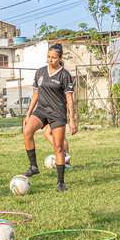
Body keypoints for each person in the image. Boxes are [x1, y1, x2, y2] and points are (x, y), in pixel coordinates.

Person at [21, 43, 77, 192]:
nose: (50, 60)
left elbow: (70, 99)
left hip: (57, 113)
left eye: (53, 57)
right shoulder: (40, 72)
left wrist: (72, 120)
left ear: (60, 58)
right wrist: (28, 113)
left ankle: (60, 183)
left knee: (58, 147)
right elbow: (36, 94)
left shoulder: (64, 75)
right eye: (48, 57)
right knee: (27, 131)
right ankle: (33, 166)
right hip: (41, 110)